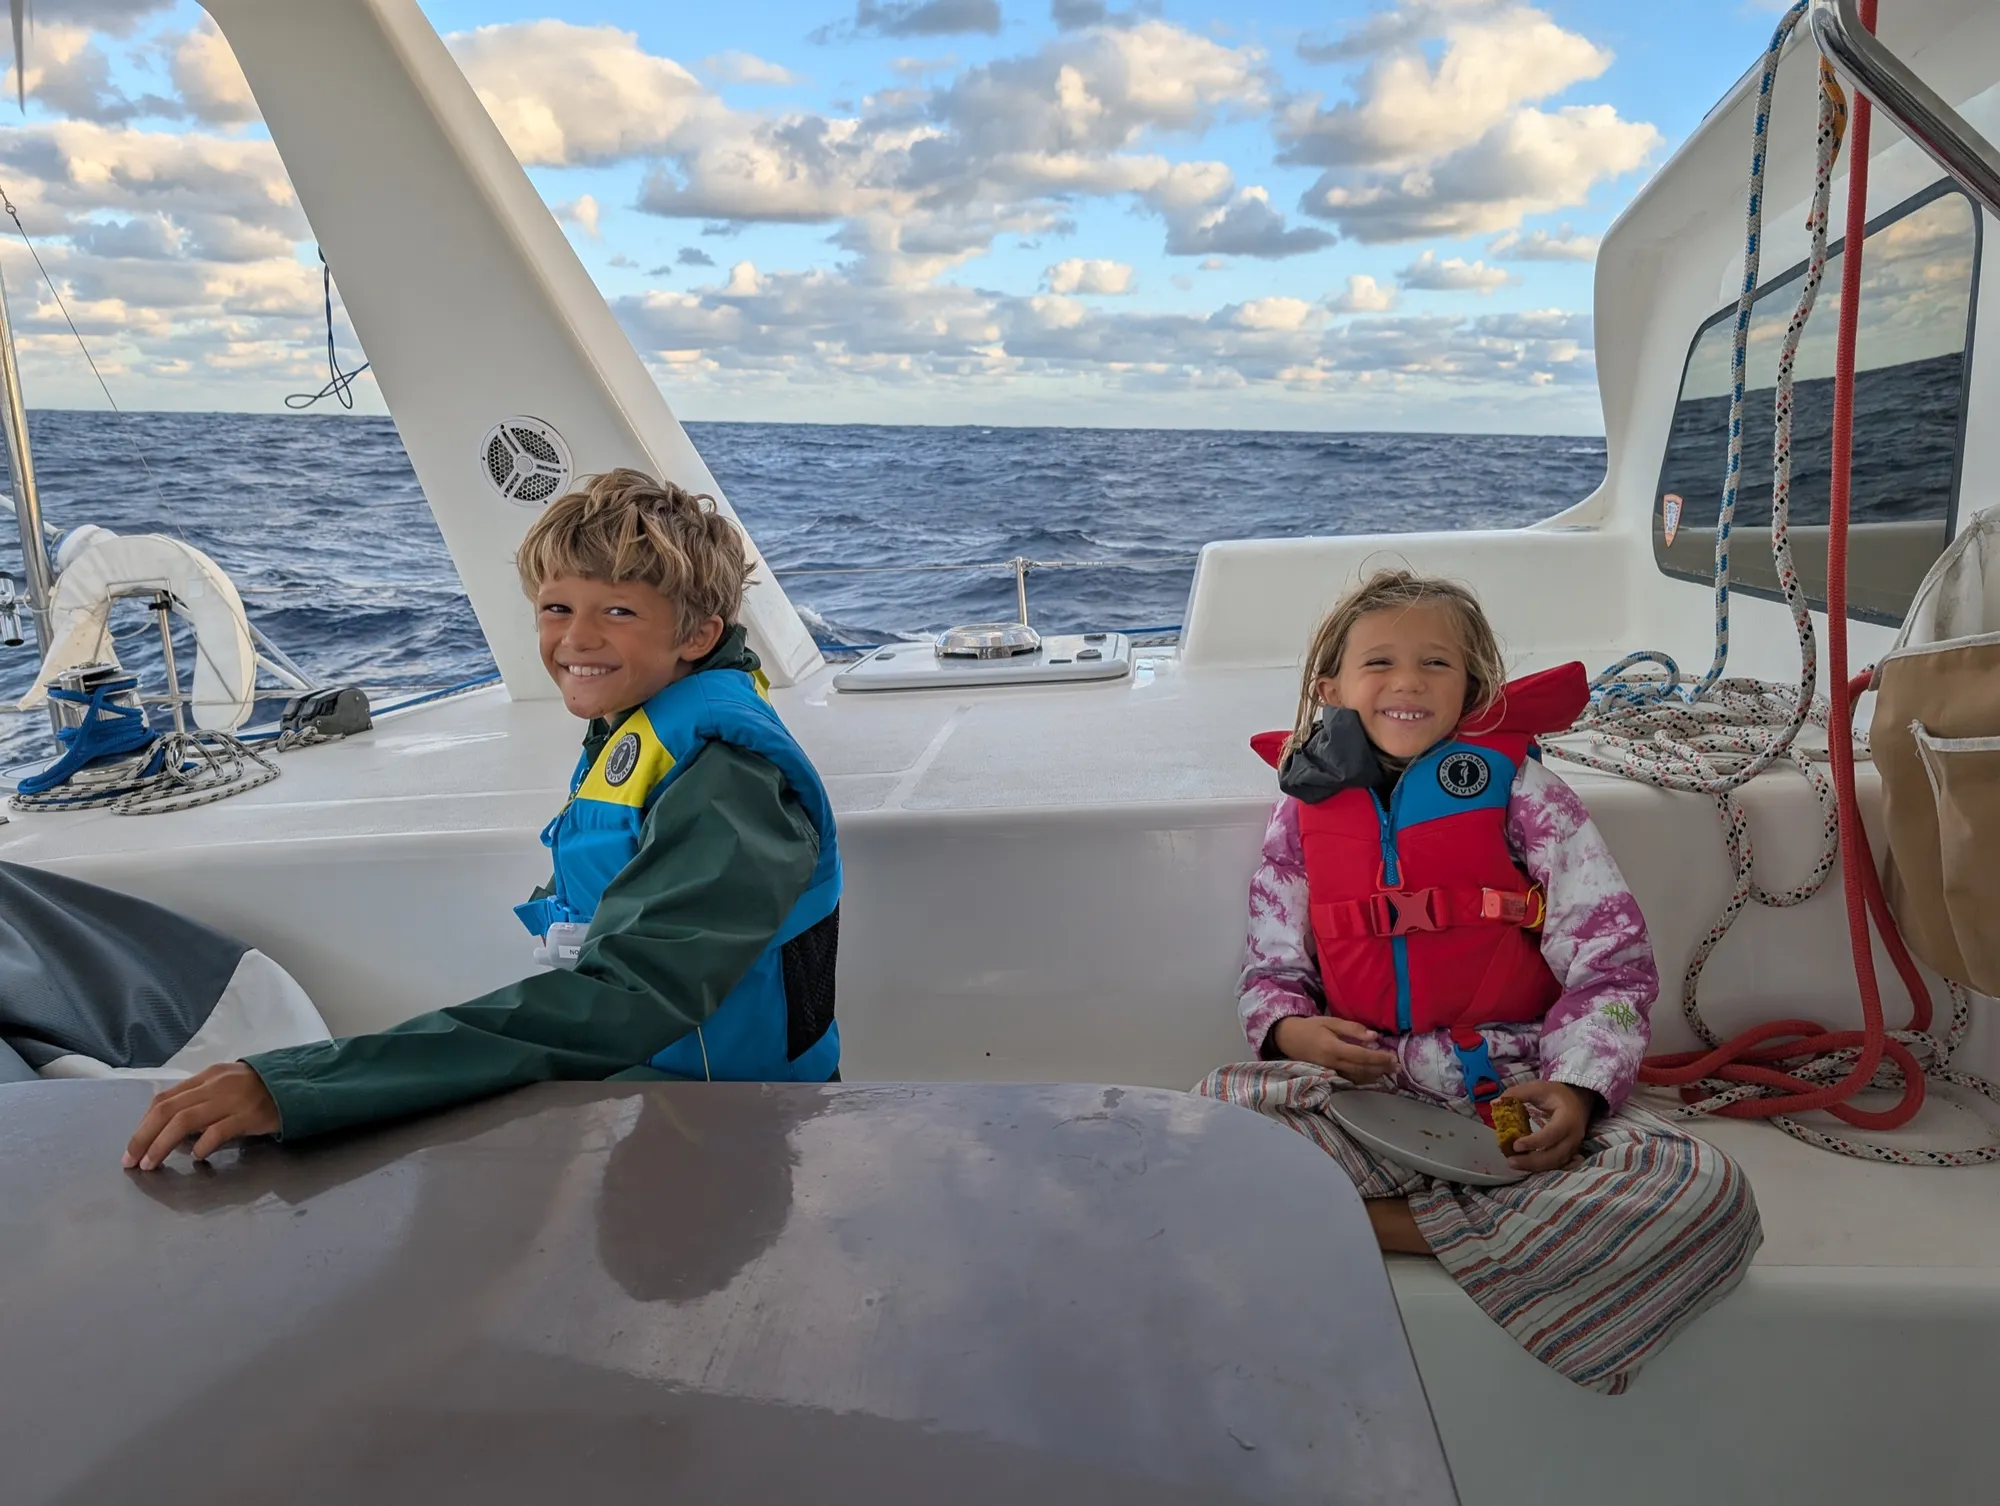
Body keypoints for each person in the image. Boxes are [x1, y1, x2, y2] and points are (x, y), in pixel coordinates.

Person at [126, 469, 841, 1170]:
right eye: (556, 609)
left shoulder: (730, 782)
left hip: (737, 1125)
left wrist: (308, 1085)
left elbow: (634, 996)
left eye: (617, 611)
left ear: (697, 635)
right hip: (664, 1091)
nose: (576, 639)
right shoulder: (650, 724)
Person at [1197, 568, 1761, 1394]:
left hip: (1515, 1098)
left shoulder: (1527, 796)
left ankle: (1387, 1228)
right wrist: (1290, 1032)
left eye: (1436, 664)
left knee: (1706, 1197)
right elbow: (1272, 966)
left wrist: (1577, 1089)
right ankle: (1494, 1232)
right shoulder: (1301, 816)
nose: (1407, 682)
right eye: (1380, 662)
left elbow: (1610, 961)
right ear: (1331, 688)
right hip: (1370, 1092)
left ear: (1472, 690)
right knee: (1210, 1125)